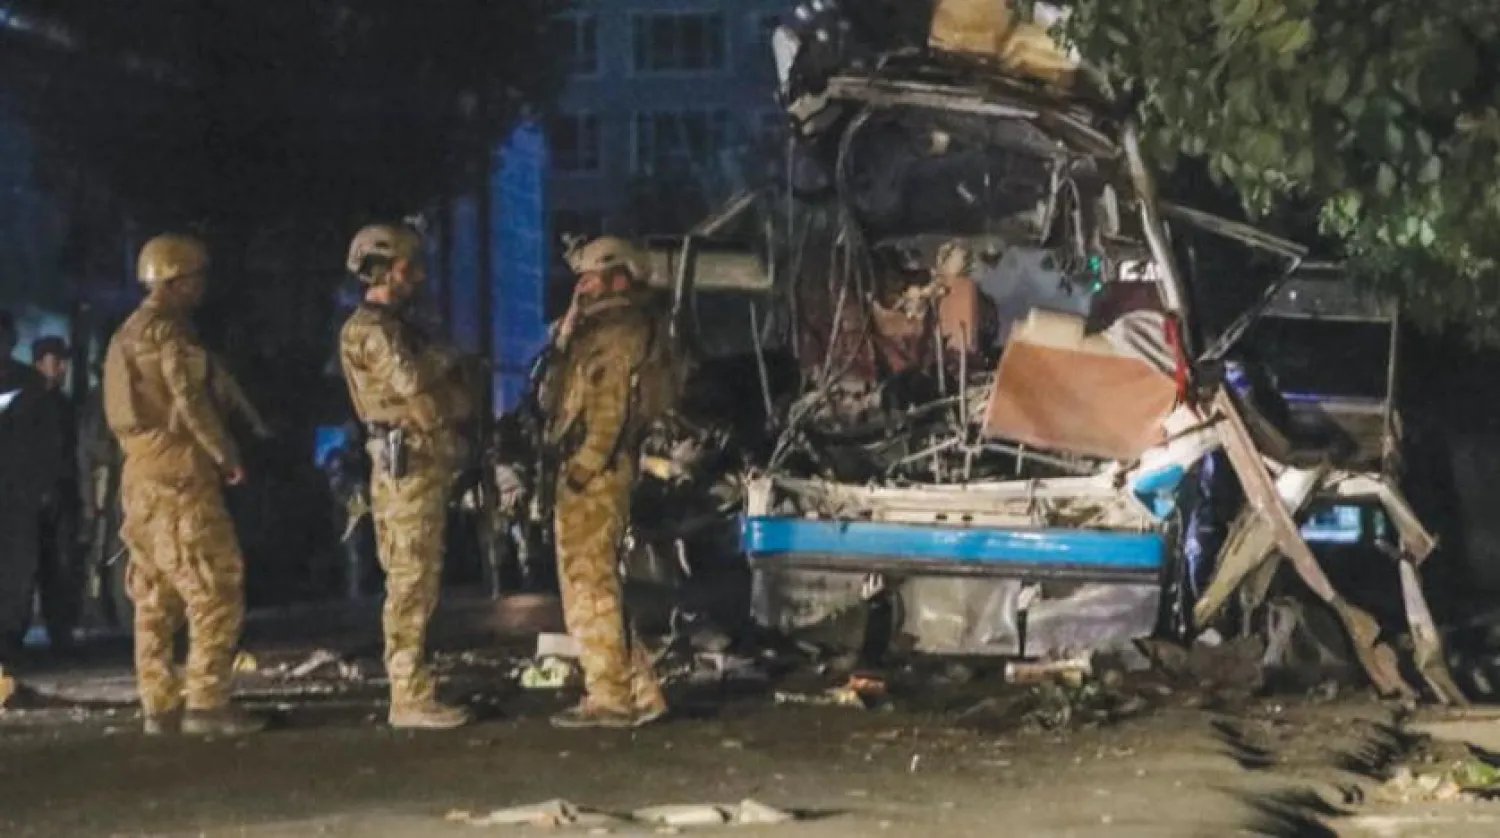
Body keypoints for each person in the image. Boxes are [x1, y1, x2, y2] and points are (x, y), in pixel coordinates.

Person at [103, 234, 264, 736]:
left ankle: (160, 703)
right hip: (179, 476)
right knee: (215, 585)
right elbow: (190, 402)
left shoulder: (126, 333)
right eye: (196, 277)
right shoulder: (169, 335)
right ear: (175, 280)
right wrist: (227, 455)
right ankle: (209, 702)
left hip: (140, 477)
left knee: (154, 594)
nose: (202, 287)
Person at [339, 222, 473, 729]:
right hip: (407, 466)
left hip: (418, 463)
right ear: (381, 269)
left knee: (418, 578)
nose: (415, 278)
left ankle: (412, 688)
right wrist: (448, 357)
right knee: (410, 580)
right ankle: (409, 696)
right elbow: (412, 379)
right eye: (406, 268)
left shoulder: (393, 326)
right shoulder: (372, 330)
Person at [543, 236, 672, 729]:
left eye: (592, 278)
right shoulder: (599, 328)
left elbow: (608, 406)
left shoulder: (617, 332)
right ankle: (640, 690)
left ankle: (610, 698)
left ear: (619, 277)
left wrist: (584, 466)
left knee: (588, 586)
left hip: (594, 470)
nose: (582, 286)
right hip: (592, 465)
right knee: (597, 584)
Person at [0, 311, 61, 660]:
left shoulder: (28, 383)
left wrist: (44, 486)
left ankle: (10, 637)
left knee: (17, 568)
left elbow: (46, 440)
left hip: (18, 494)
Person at [31, 336, 83, 651]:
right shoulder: (27, 403)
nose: (62, 367)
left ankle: (60, 632)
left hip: (61, 496)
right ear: (39, 364)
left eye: (63, 360)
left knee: (60, 567)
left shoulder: (64, 405)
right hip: (32, 499)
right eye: (55, 360)